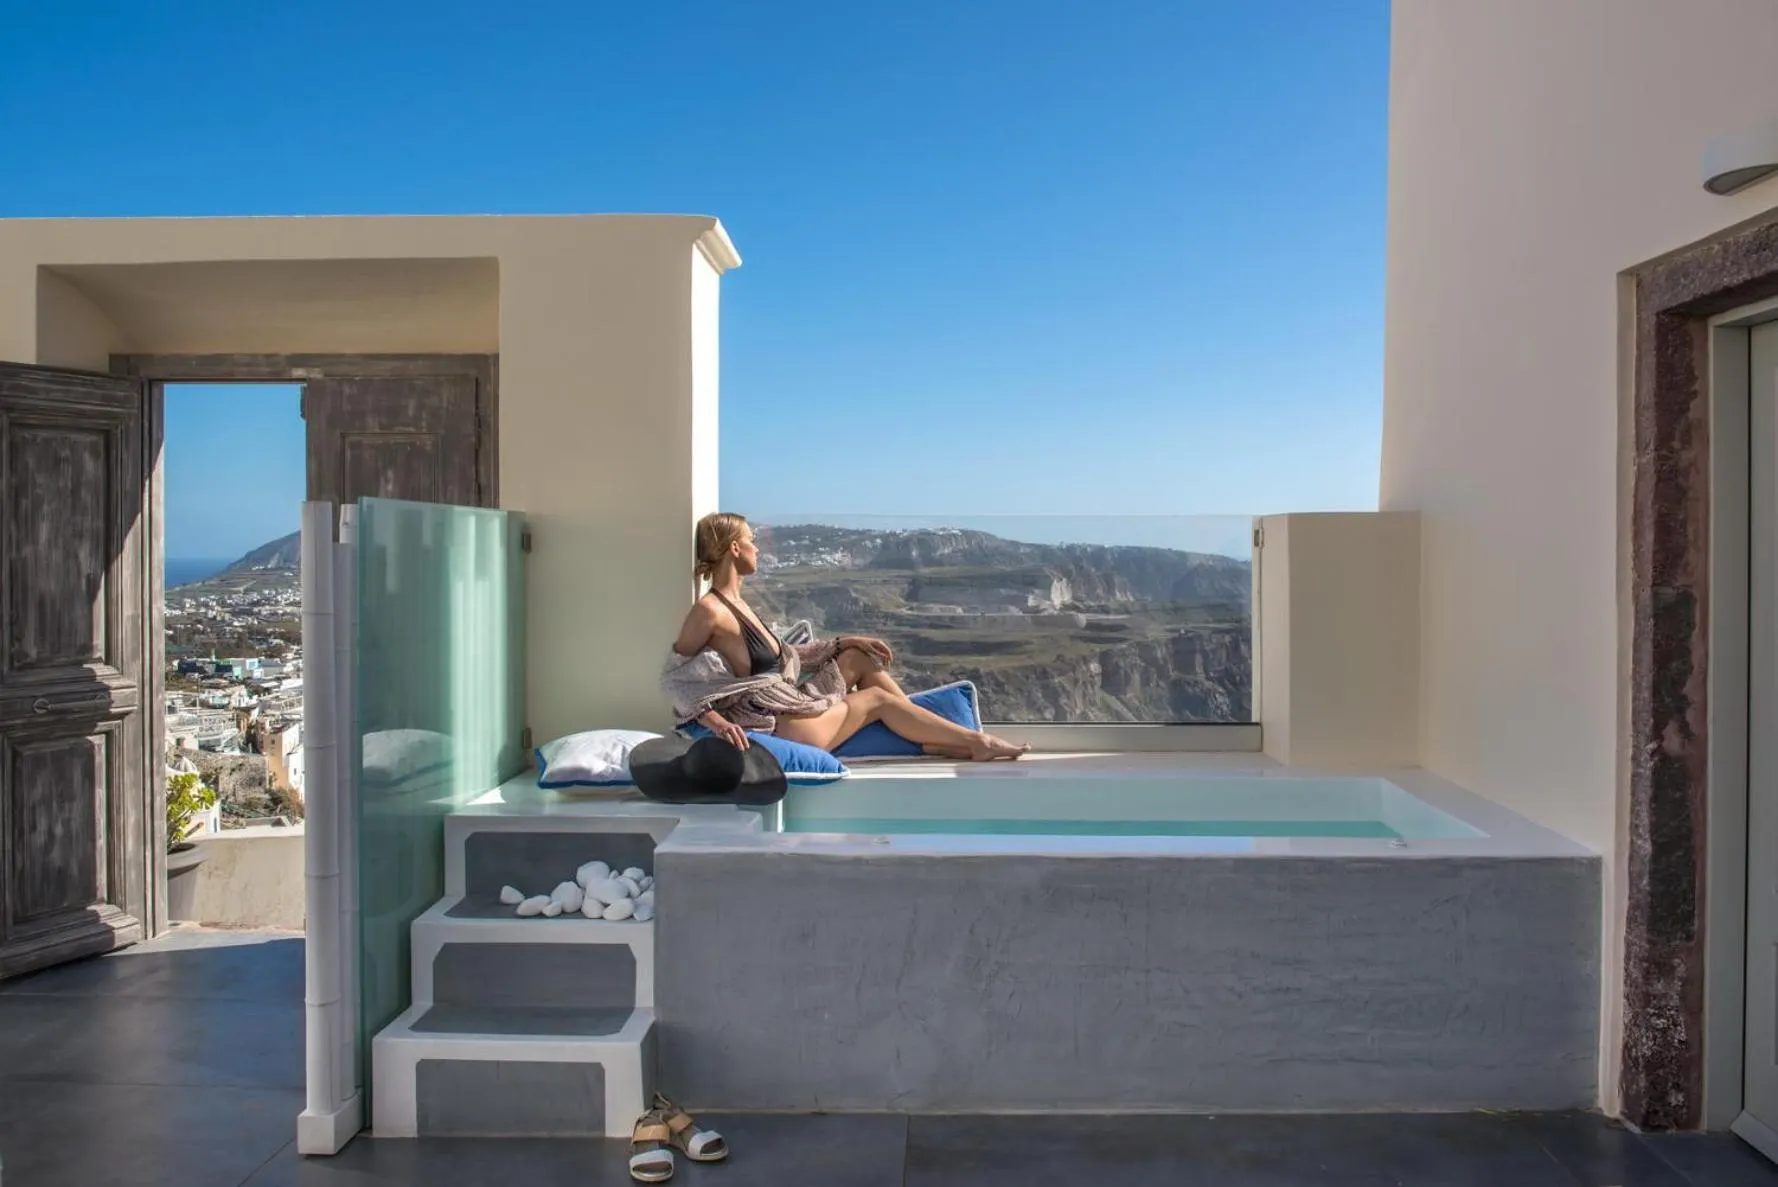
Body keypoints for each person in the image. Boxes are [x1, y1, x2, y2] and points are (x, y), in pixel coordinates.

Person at [661, 512, 1028, 761]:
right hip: (787, 726)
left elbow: (784, 658)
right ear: (735, 549)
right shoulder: (710, 610)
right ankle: (976, 742)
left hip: (790, 702)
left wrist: (843, 642)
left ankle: (930, 735)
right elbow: (676, 679)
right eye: (751, 540)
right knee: (876, 699)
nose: (758, 548)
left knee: (857, 658)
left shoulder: (740, 603)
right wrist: (717, 722)